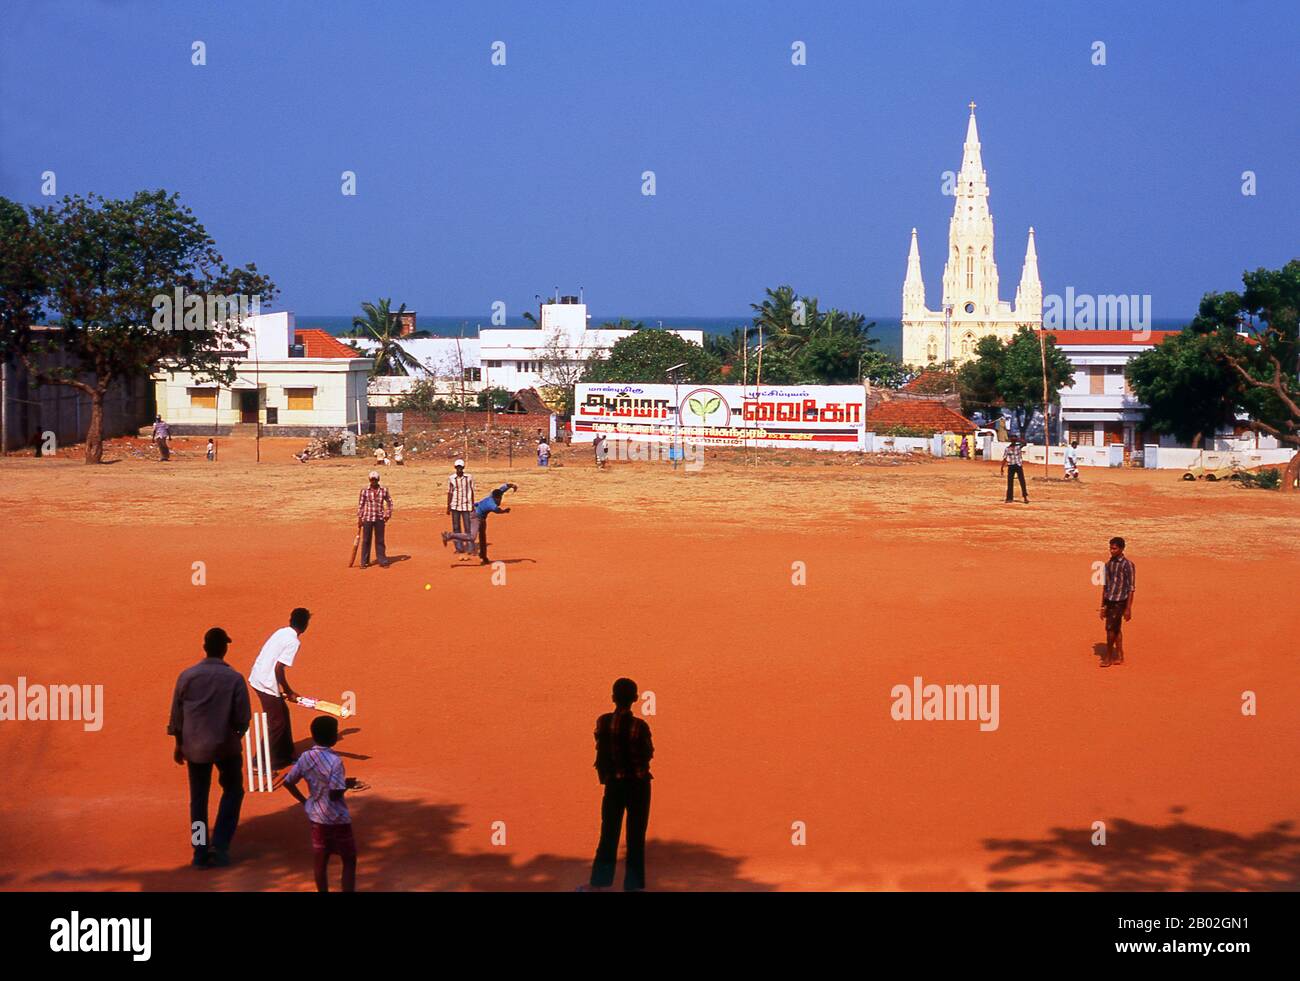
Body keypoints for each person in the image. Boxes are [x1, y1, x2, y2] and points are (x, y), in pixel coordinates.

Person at [168, 627, 251, 868]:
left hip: (194, 747)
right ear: (225, 649)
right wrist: (235, 736)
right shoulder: (234, 678)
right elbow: (243, 718)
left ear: (205, 647)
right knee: (233, 791)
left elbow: (177, 715)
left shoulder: (187, 676)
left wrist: (179, 744)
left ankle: (200, 851)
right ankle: (221, 845)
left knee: (198, 799)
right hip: (226, 746)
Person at [584, 678, 653, 892]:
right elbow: (648, 753)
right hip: (638, 786)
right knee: (636, 836)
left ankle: (600, 883)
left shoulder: (603, 721)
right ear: (635, 699)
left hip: (614, 785)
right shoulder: (640, 726)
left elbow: (601, 748)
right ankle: (633, 886)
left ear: (613, 698)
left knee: (609, 834)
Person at [283, 715, 359, 892]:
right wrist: (347, 785)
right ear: (333, 736)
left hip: (317, 818)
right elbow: (334, 794)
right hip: (338, 818)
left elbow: (288, 782)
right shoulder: (335, 761)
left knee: (320, 861)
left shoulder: (305, 758)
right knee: (349, 860)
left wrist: (305, 802)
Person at [248, 608, 312, 771]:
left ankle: (286, 754)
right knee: (277, 723)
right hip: (266, 683)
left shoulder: (281, 632)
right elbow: (278, 669)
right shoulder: (293, 642)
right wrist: (289, 691)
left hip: (259, 677)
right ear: (305, 625)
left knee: (283, 714)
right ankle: (259, 762)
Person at [441, 482, 517, 564]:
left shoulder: (494, 494)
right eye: (498, 500)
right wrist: (505, 511)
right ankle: (449, 535)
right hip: (475, 517)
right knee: (472, 537)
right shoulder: (491, 504)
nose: (499, 501)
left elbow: (503, 488)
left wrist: (512, 486)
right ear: (496, 498)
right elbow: (498, 511)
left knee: (482, 537)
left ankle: (483, 557)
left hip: (481, 517)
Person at [1099, 537, 1136, 667]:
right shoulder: (1108, 564)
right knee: (1116, 628)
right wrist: (1102, 605)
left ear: (1121, 549)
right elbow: (1105, 586)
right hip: (1110, 600)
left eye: (1114, 548)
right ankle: (1120, 654)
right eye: (1110, 548)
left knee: (1110, 629)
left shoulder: (1128, 565)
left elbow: (1131, 588)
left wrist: (1128, 608)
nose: (1111, 551)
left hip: (1120, 601)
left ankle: (1108, 657)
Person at [357, 470, 393, 568]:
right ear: (369, 480)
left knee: (380, 540)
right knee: (366, 540)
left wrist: (388, 513)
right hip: (367, 518)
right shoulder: (364, 491)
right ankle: (364, 562)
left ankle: (382, 560)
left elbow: (390, 502)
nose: (374, 482)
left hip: (379, 518)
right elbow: (361, 505)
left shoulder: (384, 490)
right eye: (372, 480)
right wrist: (360, 518)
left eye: (375, 480)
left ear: (378, 480)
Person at [446, 459, 477, 560]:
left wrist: (472, 504)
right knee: (456, 527)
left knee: (468, 527)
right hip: (455, 505)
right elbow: (450, 492)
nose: (459, 469)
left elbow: (472, 491)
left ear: (463, 468)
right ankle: (459, 548)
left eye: (461, 467)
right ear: (455, 468)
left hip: (466, 505)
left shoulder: (469, 478)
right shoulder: (451, 478)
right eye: (457, 467)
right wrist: (448, 506)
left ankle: (470, 548)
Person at [1001, 436, 1029, 504]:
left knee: (1022, 481)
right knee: (1010, 482)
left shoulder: (1018, 447)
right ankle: (1009, 498)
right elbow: (1004, 458)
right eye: (1012, 440)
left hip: (1018, 465)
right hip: (1011, 466)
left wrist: (1018, 439)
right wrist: (1002, 467)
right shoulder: (1007, 449)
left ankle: (1025, 497)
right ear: (1010, 441)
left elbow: (1025, 443)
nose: (1013, 441)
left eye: (1014, 440)